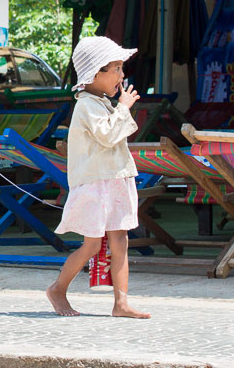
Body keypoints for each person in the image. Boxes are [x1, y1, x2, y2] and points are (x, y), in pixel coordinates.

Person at [45, 36, 150, 319]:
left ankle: (121, 303)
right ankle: (58, 288)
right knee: (91, 244)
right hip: (95, 184)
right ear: (95, 74)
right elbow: (107, 135)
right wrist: (124, 107)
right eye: (115, 68)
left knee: (121, 241)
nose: (121, 74)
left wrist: (120, 107)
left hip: (115, 180)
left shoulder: (101, 102)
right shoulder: (87, 106)